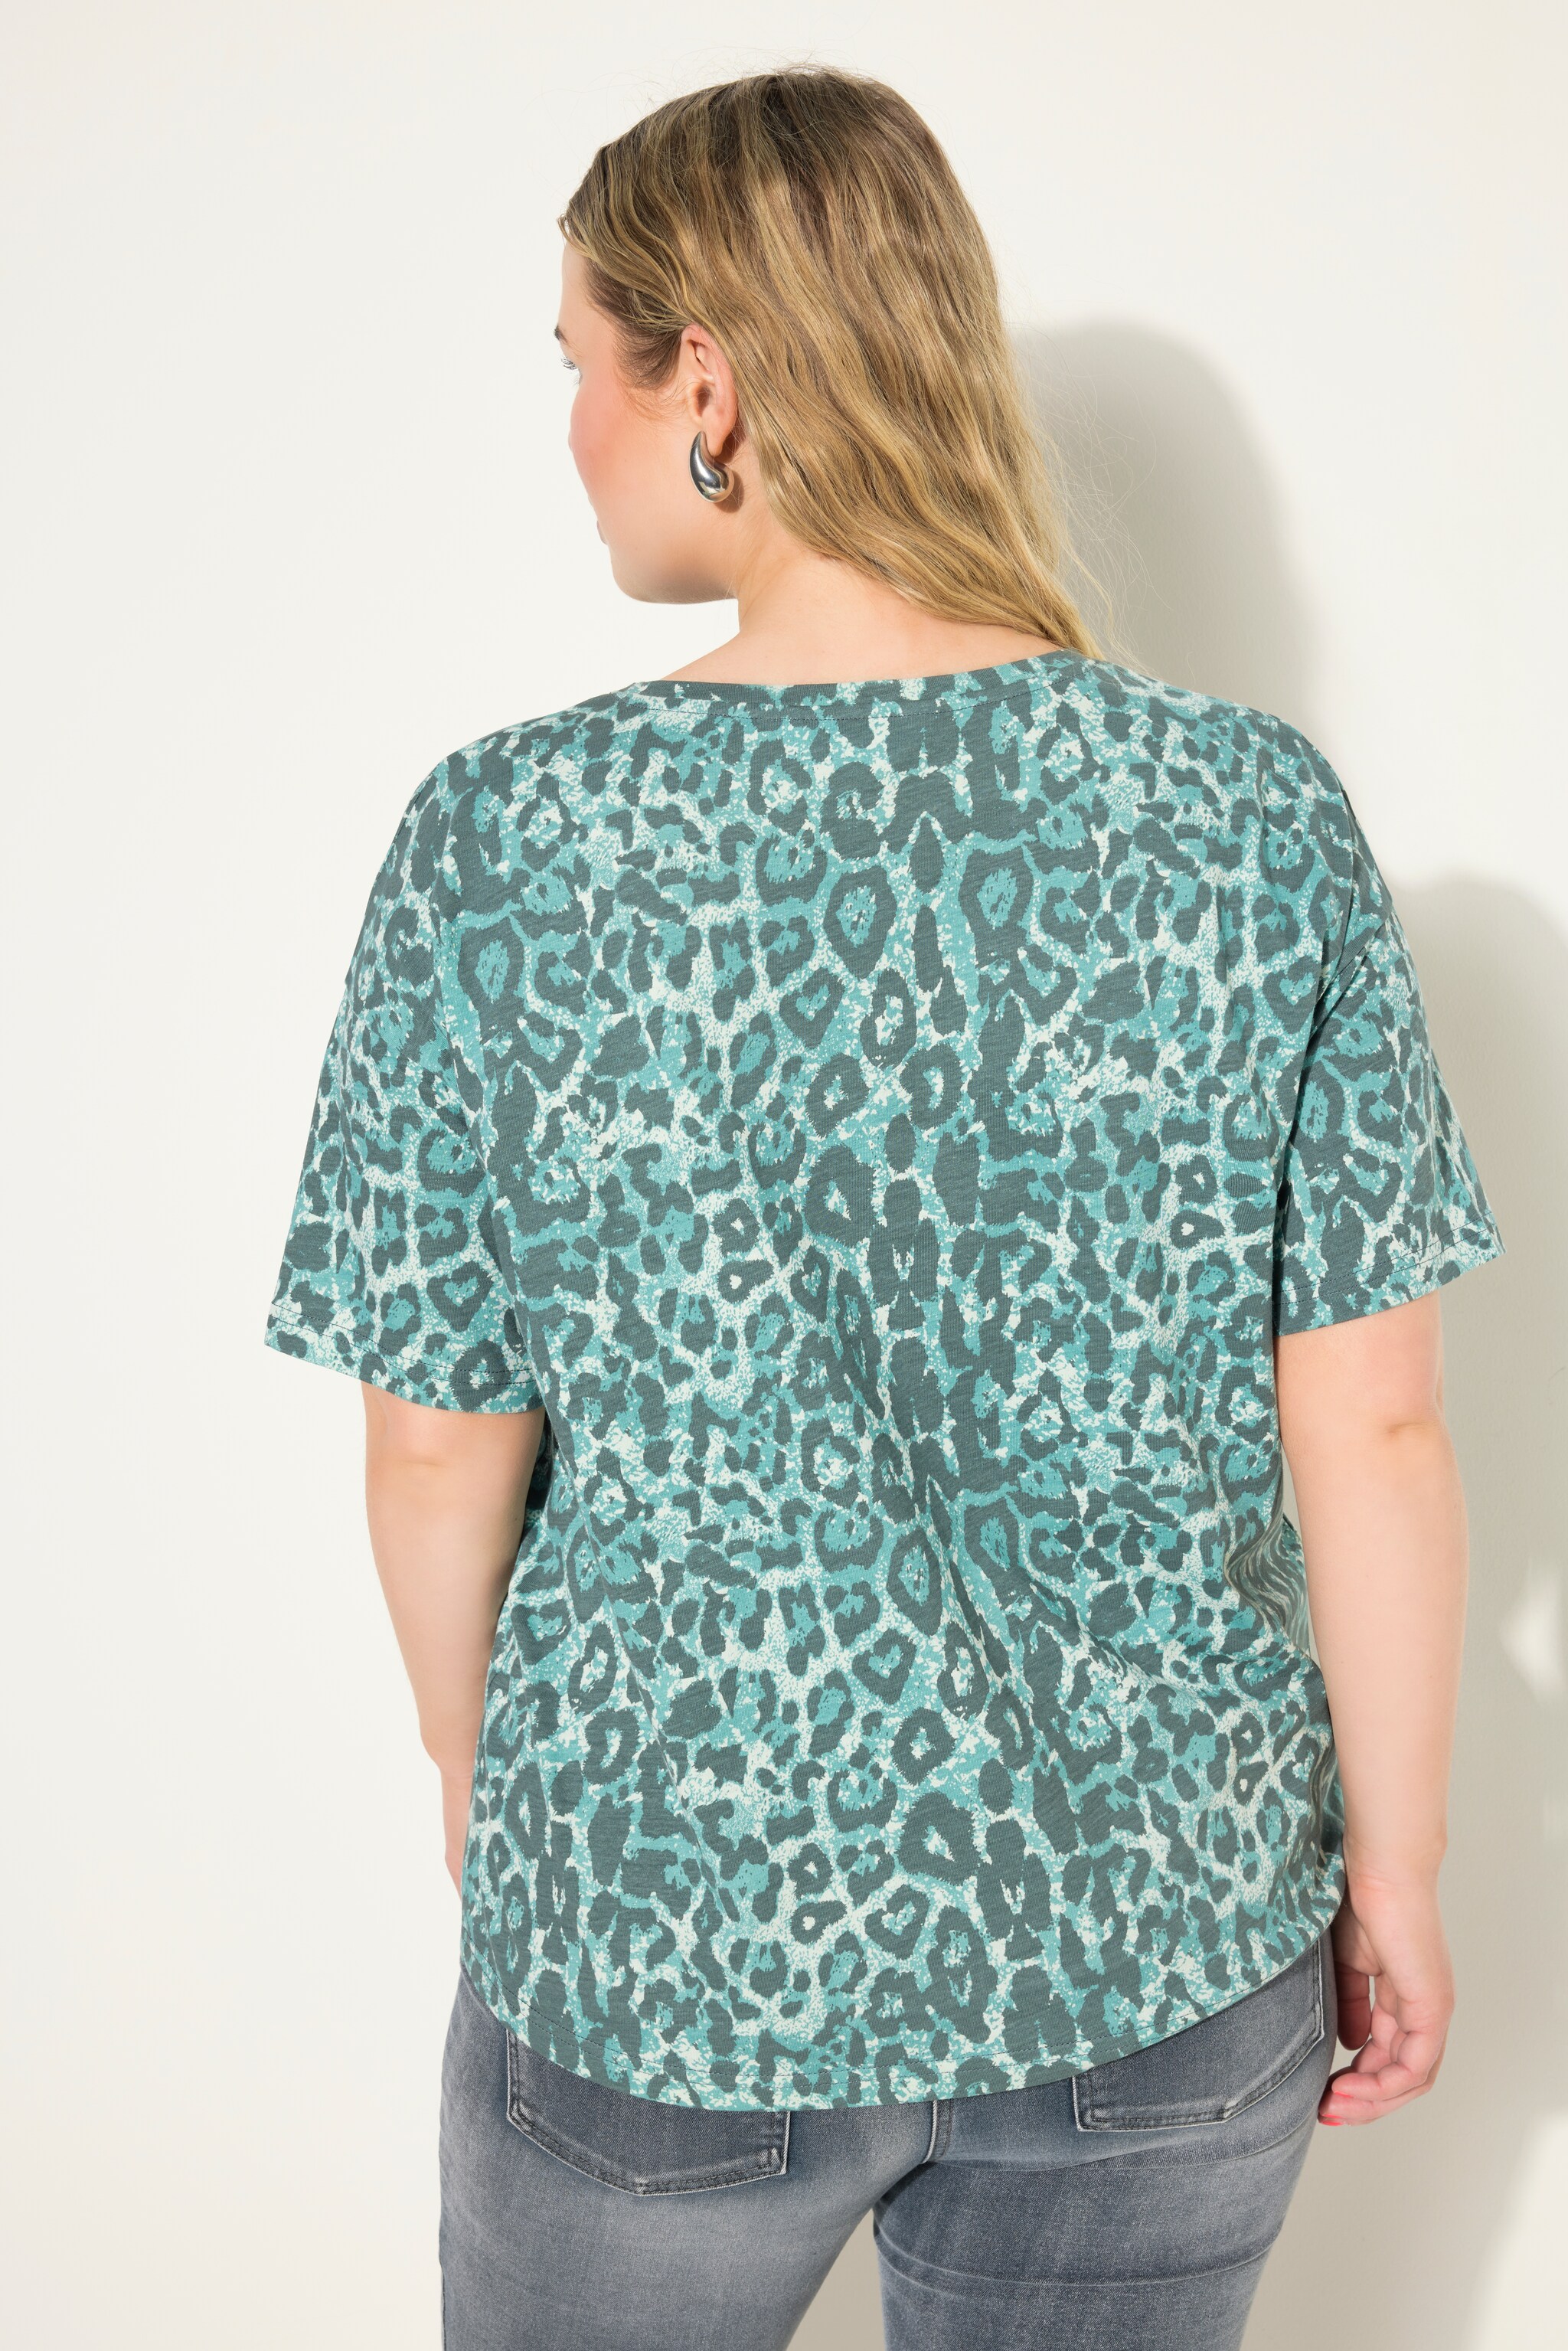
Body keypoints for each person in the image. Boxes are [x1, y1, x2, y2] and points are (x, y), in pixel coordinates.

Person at [264, 64, 1505, 2351]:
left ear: (707, 384)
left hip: (667, 1926)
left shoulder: (511, 842)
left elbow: (436, 1444)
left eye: (579, 362)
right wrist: (1400, 1868)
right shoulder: (1250, 819)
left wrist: (478, 1771)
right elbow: (1380, 1427)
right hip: (1164, 1936)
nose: (571, 430)